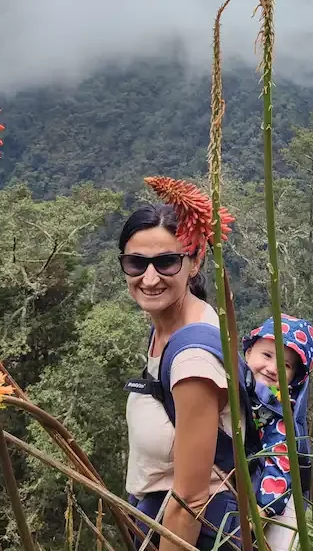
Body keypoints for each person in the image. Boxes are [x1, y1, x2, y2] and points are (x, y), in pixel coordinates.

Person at [120, 189, 244, 551]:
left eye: (167, 262)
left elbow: (191, 500)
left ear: (195, 261)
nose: (150, 277)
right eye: (136, 264)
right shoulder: (164, 329)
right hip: (155, 518)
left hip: (197, 535)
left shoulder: (192, 360)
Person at [242, 315, 313, 551]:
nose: (272, 368)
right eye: (266, 355)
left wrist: (263, 509)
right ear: (247, 353)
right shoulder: (230, 385)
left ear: (295, 379)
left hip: (275, 501)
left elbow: (281, 460)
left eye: (285, 365)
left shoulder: (280, 410)